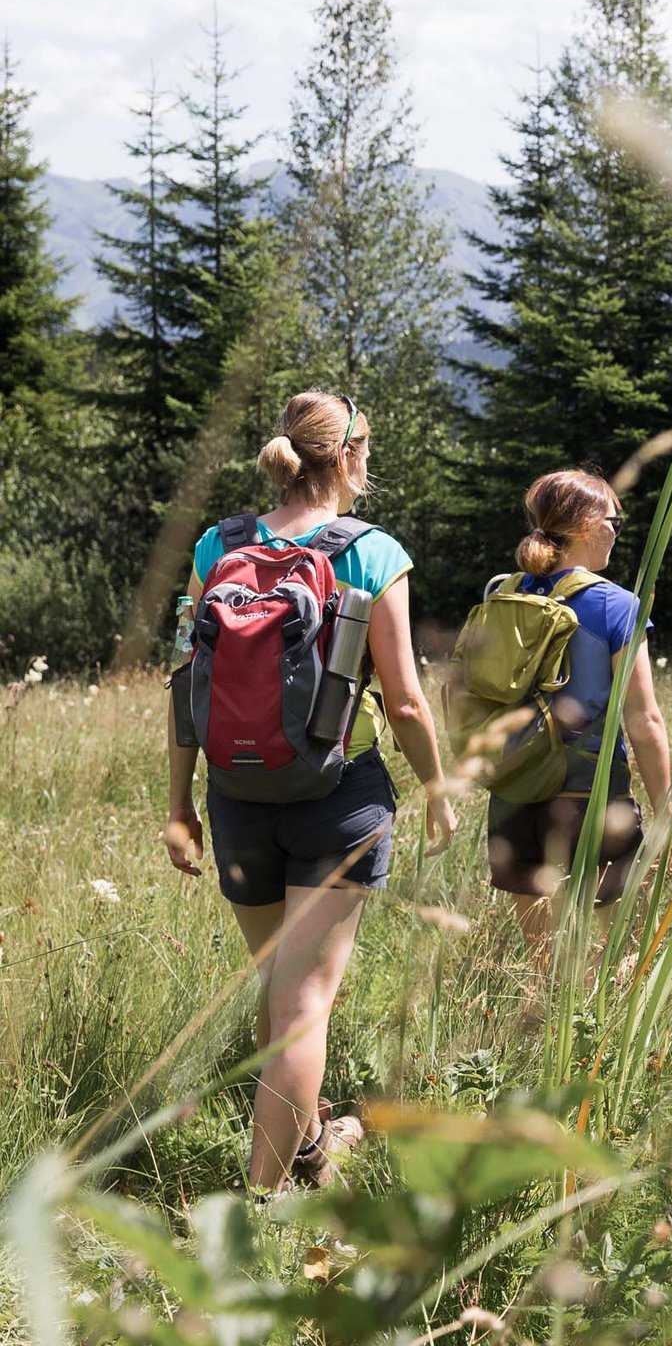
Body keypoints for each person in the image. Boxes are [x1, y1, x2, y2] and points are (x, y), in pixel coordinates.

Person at [163, 392, 457, 1197]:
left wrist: (178, 803)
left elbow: (192, 677)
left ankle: (310, 1146)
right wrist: (439, 790)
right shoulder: (371, 551)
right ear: (350, 456)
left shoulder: (218, 544)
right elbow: (402, 701)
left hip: (235, 795)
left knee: (278, 985)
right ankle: (261, 1204)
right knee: (304, 1005)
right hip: (339, 796)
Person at [481, 470, 671, 954]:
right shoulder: (615, 606)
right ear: (588, 526)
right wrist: (670, 808)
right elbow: (644, 721)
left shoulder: (502, 597)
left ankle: (543, 1035)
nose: (618, 531)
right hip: (593, 802)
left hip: (514, 798)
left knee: (545, 963)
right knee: (609, 963)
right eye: (615, 521)